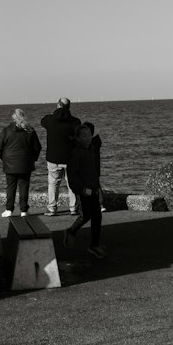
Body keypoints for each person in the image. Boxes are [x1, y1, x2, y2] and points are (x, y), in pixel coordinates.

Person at [63, 122, 105, 258]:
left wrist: (96, 188)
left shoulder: (90, 150)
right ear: (78, 138)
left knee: (97, 216)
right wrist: (81, 189)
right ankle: (71, 231)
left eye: (89, 135)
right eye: (84, 136)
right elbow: (72, 174)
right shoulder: (76, 153)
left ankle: (94, 245)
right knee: (86, 215)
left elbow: (93, 170)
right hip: (84, 190)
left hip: (93, 188)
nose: (88, 138)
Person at [0, 108, 42, 217]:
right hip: (25, 164)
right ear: (24, 117)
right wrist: (33, 159)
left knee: (10, 187)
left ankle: (9, 209)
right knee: (24, 187)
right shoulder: (30, 131)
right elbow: (37, 147)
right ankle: (24, 210)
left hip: (9, 164)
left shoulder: (6, 130)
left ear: (13, 118)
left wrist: (4, 158)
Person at [41, 97, 81, 216]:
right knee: (72, 184)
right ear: (69, 107)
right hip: (70, 158)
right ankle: (73, 208)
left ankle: (52, 208)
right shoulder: (75, 122)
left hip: (54, 158)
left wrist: (53, 113)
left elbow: (42, 120)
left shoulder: (49, 120)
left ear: (58, 105)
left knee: (53, 183)